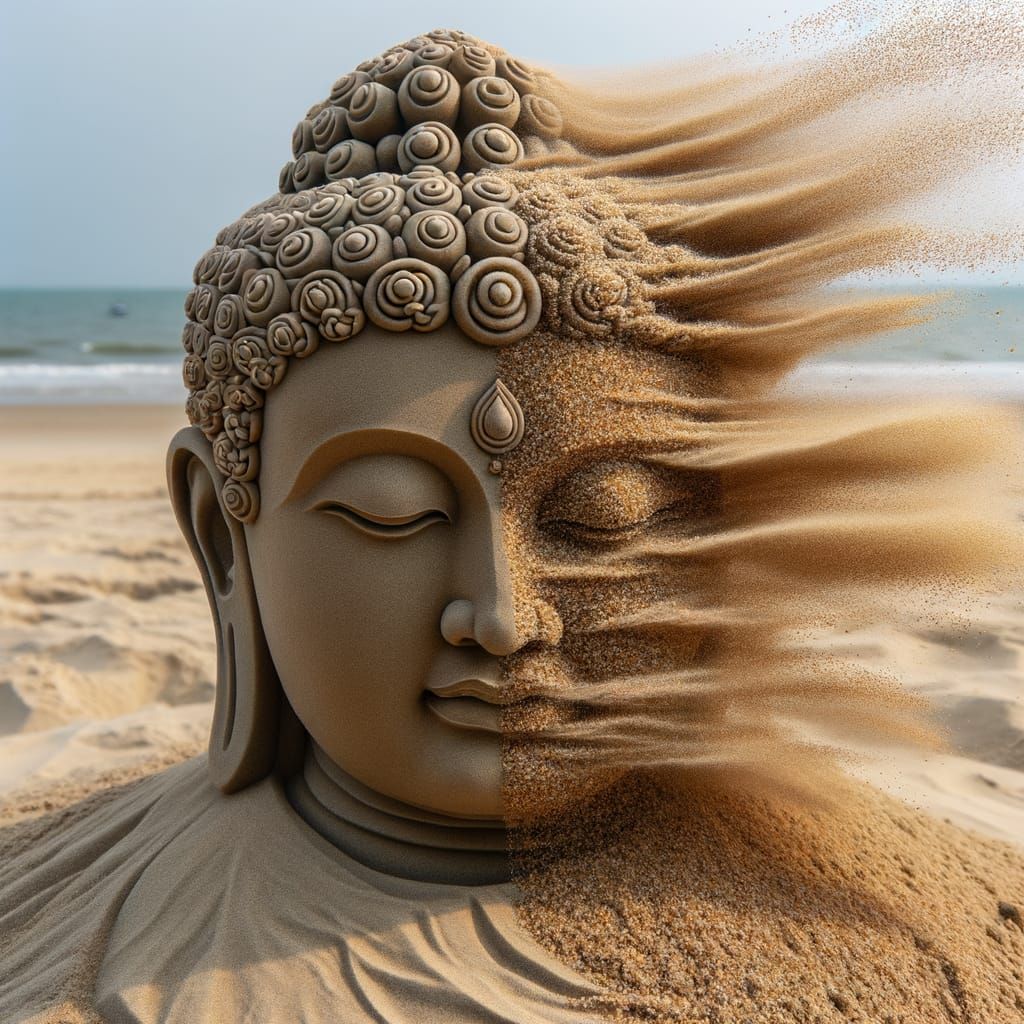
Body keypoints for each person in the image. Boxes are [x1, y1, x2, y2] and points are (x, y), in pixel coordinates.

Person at [3, 25, 1023, 1024]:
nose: (501, 616)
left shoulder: (956, 938)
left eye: (602, 515)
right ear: (222, 540)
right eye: (391, 511)